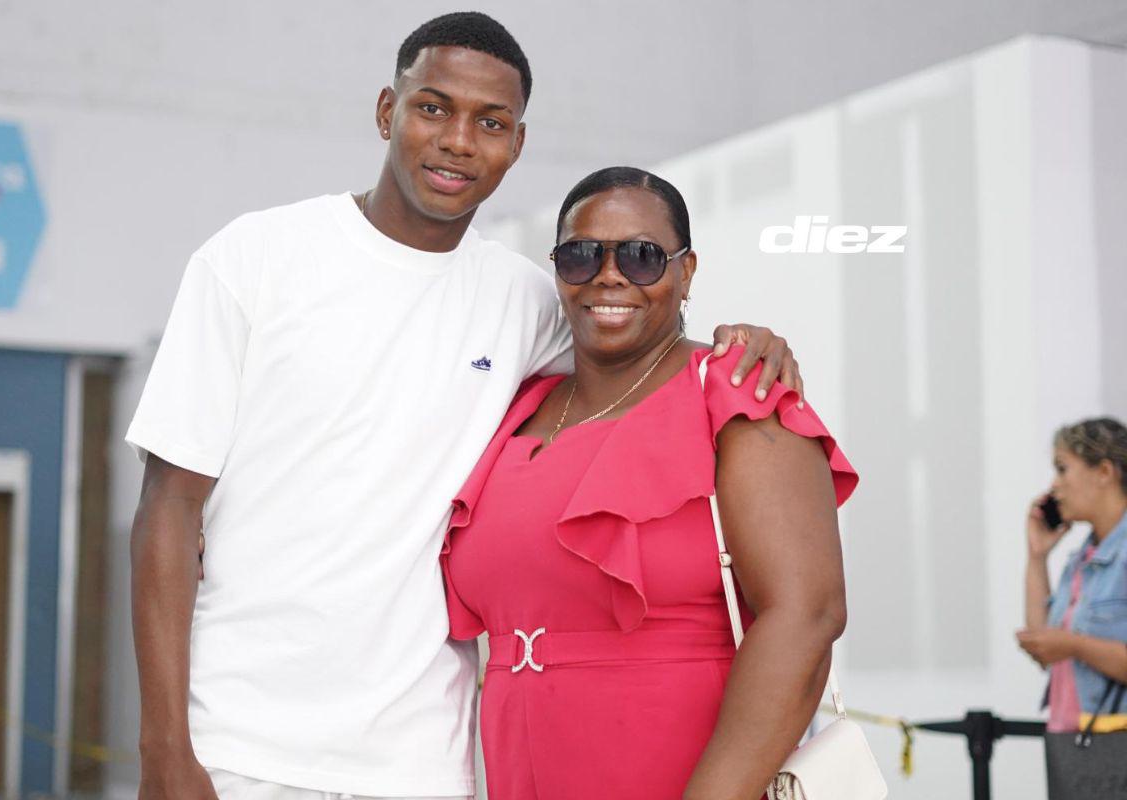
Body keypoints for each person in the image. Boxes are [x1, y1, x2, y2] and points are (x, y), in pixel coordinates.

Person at [127, 13, 808, 800]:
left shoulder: (524, 299)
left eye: (490, 122)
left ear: (516, 146)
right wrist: (164, 749)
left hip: (424, 764)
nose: (458, 140)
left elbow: (637, 334)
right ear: (388, 111)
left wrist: (745, 342)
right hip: (239, 747)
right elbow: (168, 510)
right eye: (433, 107)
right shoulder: (253, 258)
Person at [440, 166, 858, 800]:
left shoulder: (734, 391)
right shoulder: (514, 407)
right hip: (520, 768)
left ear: (686, 272)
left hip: (688, 773)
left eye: (642, 256)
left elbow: (807, 614)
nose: (609, 274)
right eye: (581, 255)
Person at [1017, 418, 1127, 739]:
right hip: (1074, 746)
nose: (1054, 485)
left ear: (1105, 472)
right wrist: (1037, 556)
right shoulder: (1082, 559)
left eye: (1062, 469)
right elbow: (1042, 644)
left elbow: (1061, 645)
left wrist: (1074, 646)